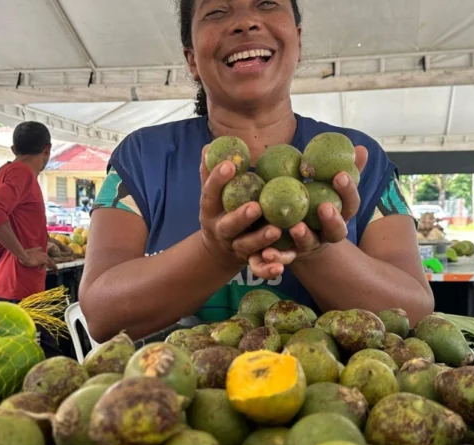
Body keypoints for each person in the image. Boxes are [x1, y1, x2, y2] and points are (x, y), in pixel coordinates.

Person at [79, 0, 433, 342]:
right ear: (191, 59)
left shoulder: (359, 160)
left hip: (332, 401)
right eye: (217, 11)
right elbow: (101, 312)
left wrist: (317, 249)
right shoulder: (143, 158)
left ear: (297, 39)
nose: (245, 22)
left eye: (266, 3)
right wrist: (213, 252)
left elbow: (415, 310)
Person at [0, 121, 60, 354]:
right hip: (18, 287)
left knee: (37, 357)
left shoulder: (7, 172)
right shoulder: (21, 173)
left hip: (17, 285)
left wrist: (43, 252)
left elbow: (19, 222)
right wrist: (24, 256)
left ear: (14, 149)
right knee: (48, 358)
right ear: (47, 150)